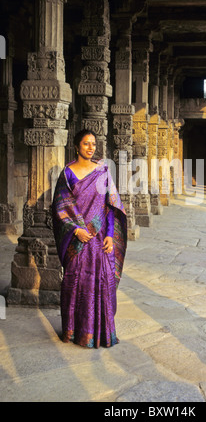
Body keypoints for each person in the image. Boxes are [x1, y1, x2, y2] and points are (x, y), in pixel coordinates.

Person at [52, 129, 127, 348]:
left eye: (93, 144)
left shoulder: (102, 171)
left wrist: (111, 236)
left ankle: (101, 333)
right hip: (77, 240)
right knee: (75, 281)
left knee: (102, 282)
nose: (91, 147)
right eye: (86, 144)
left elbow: (110, 206)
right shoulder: (67, 173)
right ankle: (75, 331)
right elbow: (60, 207)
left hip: (100, 236)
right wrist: (76, 230)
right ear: (77, 146)